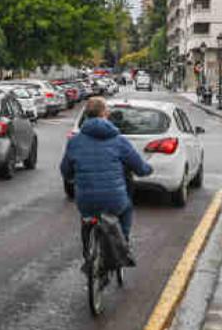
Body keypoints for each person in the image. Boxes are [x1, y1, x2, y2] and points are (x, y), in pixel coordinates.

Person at [60, 96, 153, 243]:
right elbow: (139, 167)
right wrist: (147, 169)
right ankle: (124, 243)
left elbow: (65, 170)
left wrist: (73, 176)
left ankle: (87, 253)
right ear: (105, 114)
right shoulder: (119, 141)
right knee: (127, 208)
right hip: (114, 200)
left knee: (86, 217)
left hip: (86, 201)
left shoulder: (75, 141)